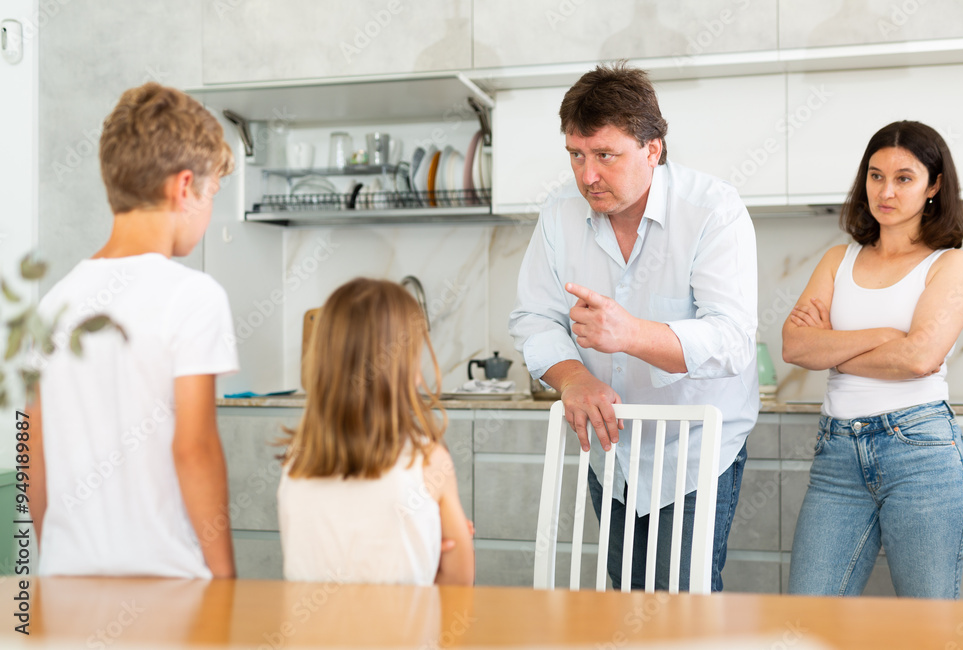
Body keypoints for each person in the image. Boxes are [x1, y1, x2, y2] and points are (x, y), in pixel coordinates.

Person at [509, 62, 759, 592]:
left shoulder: (713, 210)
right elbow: (534, 317)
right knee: (624, 606)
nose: (587, 175)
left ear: (652, 149)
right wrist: (574, 378)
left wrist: (632, 334)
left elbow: (733, 341)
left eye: (605, 155)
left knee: (681, 609)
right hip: (613, 454)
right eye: (576, 155)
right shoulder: (558, 214)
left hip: (694, 455)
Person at [26, 82, 239, 578]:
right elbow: (195, 449)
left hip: (66, 582)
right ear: (184, 188)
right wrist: (226, 579)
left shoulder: (53, 304)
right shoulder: (194, 296)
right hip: (169, 584)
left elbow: (31, 453)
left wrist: (55, 560)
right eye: (212, 193)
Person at [783, 120, 963, 598]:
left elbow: (919, 358)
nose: (885, 191)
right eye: (876, 176)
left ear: (934, 186)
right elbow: (794, 345)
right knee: (808, 619)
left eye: (903, 178)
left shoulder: (949, 263)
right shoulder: (838, 259)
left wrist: (832, 349)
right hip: (836, 457)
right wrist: (882, 337)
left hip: (921, 453)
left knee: (926, 626)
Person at [278, 278, 475, 585]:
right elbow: (458, 586)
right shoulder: (427, 460)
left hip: (307, 619)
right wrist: (430, 550)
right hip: (405, 620)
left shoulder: (296, 460)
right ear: (408, 370)